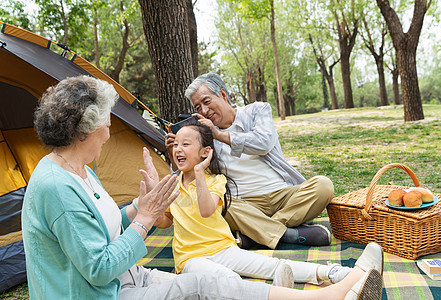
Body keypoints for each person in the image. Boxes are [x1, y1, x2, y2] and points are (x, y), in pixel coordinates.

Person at [21, 75, 381, 300]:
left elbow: (100, 225)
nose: (110, 131)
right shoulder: (57, 187)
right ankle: (330, 291)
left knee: (218, 283)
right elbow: (98, 268)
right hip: (100, 292)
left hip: (123, 279)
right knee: (211, 283)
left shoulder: (81, 169)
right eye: (106, 124)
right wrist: (146, 218)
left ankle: (331, 290)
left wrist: (134, 208)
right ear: (85, 131)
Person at [156, 121, 384, 299]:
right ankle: (281, 295)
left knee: (273, 265)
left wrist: (198, 174)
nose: (178, 149)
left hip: (221, 247)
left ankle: (334, 273)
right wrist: (150, 207)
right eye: (175, 144)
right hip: (190, 259)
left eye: (186, 144)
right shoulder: (171, 184)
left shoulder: (215, 180)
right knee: (226, 280)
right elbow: (165, 220)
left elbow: (206, 210)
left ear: (205, 152)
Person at [166, 72, 333, 249]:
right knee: (221, 204)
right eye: (198, 107)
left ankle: (257, 234)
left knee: (323, 186)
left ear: (223, 95)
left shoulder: (257, 110)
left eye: (206, 102)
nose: (204, 111)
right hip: (242, 204)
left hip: (282, 194)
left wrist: (220, 136)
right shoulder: (203, 134)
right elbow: (190, 175)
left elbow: (264, 142)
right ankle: (285, 233)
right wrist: (174, 152)